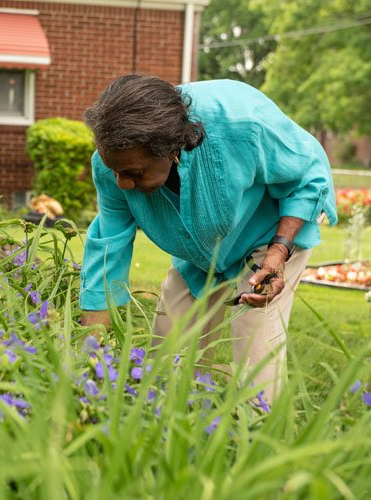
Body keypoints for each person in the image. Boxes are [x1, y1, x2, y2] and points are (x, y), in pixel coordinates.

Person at [79, 75, 337, 402]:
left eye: (135, 173)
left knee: (253, 342)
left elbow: (308, 177)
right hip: (202, 249)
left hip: (271, 233)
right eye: (113, 169)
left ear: (171, 150)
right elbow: (107, 250)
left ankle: (256, 439)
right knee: (166, 351)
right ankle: (185, 434)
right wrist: (91, 355)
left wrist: (277, 254)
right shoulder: (116, 164)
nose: (122, 184)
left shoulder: (242, 124)